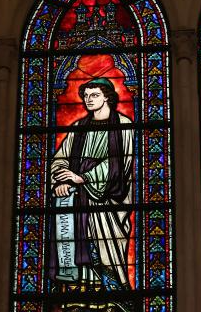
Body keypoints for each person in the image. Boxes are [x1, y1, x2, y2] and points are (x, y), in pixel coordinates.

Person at [48, 78, 134, 310]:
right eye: (86, 96)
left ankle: (113, 298)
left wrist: (83, 178)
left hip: (107, 200)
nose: (88, 100)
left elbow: (121, 163)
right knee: (78, 243)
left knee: (106, 248)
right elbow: (60, 159)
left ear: (107, 97)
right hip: (77, 199)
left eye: (94, 95)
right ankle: (79, 296)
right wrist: (62, 180)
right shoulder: (79, 127)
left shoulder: (123, 125)